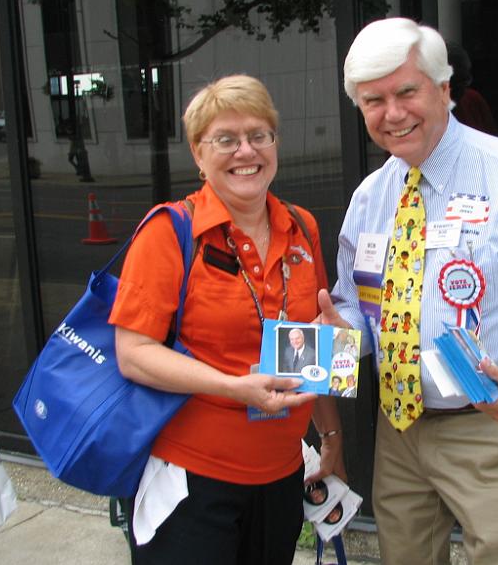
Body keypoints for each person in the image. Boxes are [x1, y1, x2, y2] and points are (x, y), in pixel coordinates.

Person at [318, 18, 498, 565]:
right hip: (399, 426)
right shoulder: (370, 198)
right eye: (373, 101)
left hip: (491, 425)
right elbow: (361, 314)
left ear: (444, 88)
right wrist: (337, 338)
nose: (393, 113)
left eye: (407, 91)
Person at [109, 74, 344, 565]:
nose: (246, 151)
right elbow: (133, 356)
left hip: (281, 476)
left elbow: (311, 343)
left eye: (260, 135)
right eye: (226, 139)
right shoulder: (169, 232)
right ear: (199, 154)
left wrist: (331, 437)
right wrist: (234, 387)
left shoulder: (301, 227)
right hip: (192, 480)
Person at [445, 41, 497, 135]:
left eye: (464, 82)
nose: (459, 91)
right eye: (454, 84)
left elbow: (492, 141)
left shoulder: (472, 100)